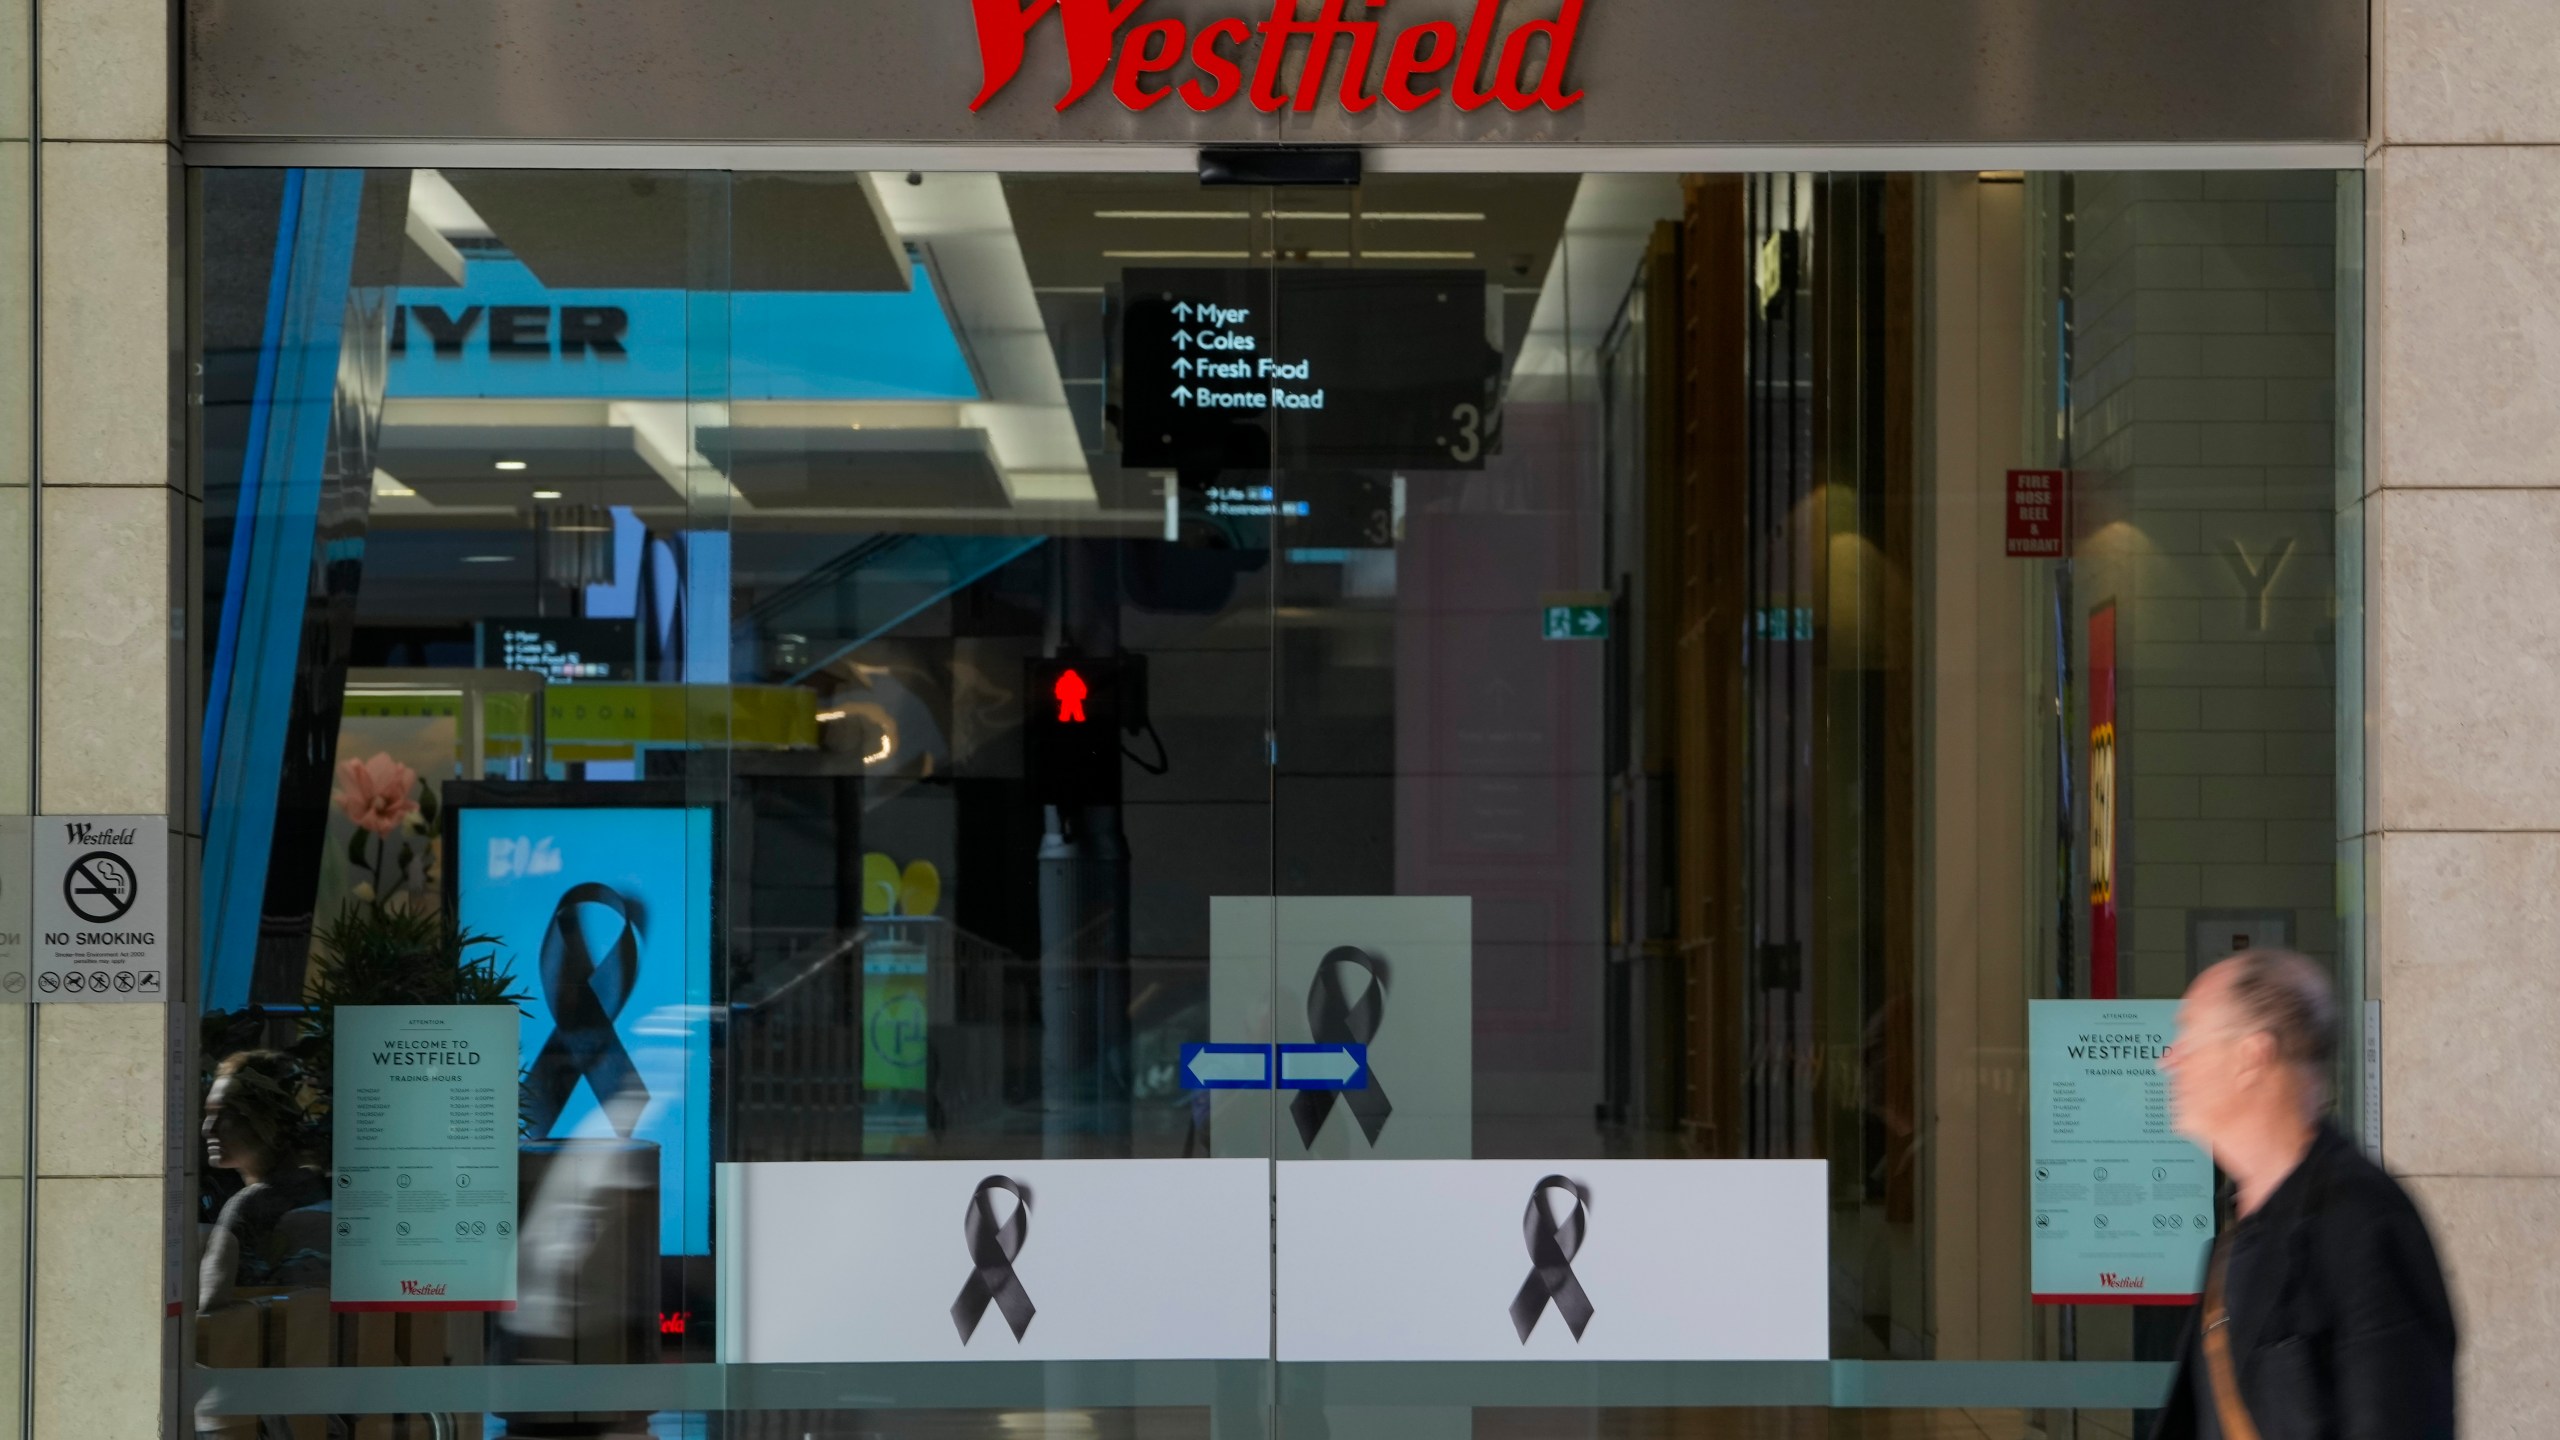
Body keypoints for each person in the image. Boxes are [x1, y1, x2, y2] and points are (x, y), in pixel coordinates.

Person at [2152, 950, 2457, 1439]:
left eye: (2190, 1034)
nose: (2170, 1058)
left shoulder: (2363, 1222)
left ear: (2252, 1057)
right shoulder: (2233, 1242)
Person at [199, 1050, 332, 1313]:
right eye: (208, 1113)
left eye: (224, 1114)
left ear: (264, 1120)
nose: (207, 1128)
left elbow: (210, 1312)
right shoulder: (315, 1186)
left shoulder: (250, 1204)